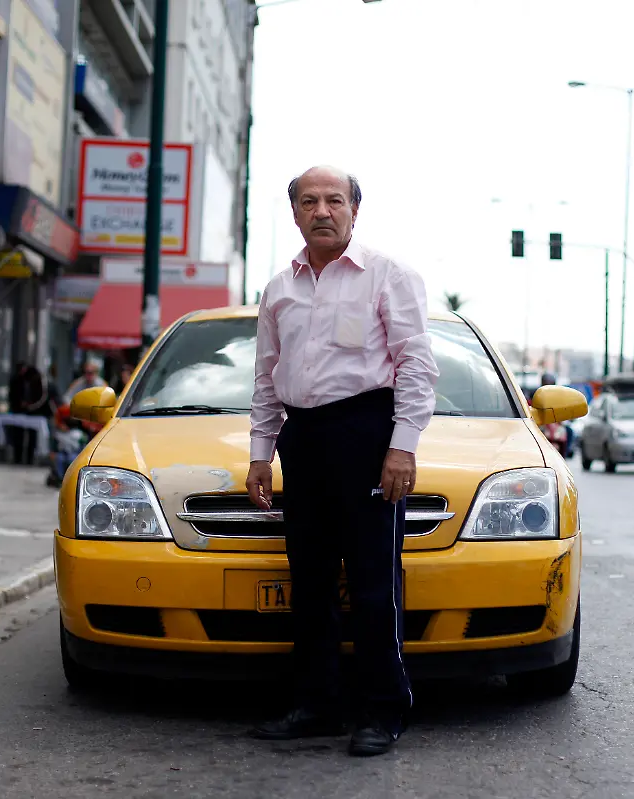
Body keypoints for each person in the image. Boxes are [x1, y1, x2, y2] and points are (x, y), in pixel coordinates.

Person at [245, 166, 438, 757]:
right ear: (295, 213)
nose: (322, 211)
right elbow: (267, 376)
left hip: (367, 434)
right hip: (303, 438)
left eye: (334, 200)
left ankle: (383, 709)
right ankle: (317, 704)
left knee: (374, 582)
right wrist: (261, 454)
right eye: (309, 201)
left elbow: (416, 365)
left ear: (355, 209)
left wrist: (402, 446)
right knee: (310, 579)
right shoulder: (280, 288)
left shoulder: (387, 275)